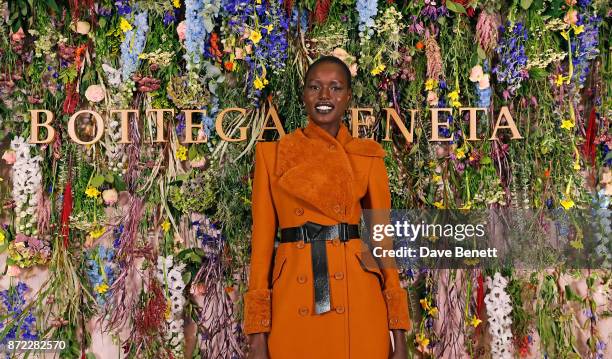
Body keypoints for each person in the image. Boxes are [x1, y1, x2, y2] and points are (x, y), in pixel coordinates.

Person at [243, 56, 410, 359]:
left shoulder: (368, 157)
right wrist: (257, 334)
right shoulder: (273, 156)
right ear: (303, 94)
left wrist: (399, 332)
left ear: (348, 96)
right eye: (314, 87)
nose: (324, 96)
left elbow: (384, 244)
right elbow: (261, 248)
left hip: (358, 301)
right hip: (294, 297)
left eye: (335, 88)